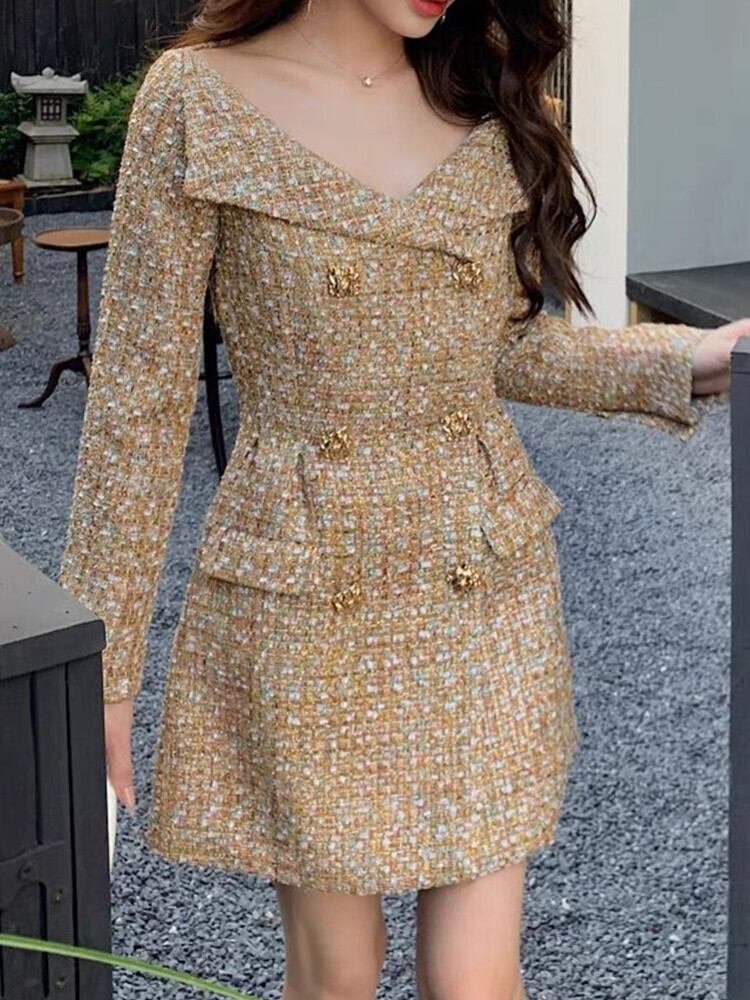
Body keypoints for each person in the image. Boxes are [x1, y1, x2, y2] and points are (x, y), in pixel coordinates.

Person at [56, 1, 742, 997]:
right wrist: (102, 665)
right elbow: (138, 401)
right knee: (338, 973)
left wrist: (690, 359)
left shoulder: (479, 90)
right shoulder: (198, 100)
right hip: (306, 592)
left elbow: (502, 349)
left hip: (484, 579)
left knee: (475, 980)